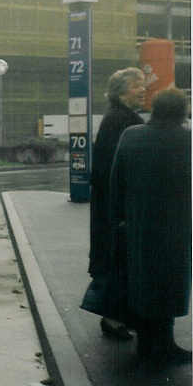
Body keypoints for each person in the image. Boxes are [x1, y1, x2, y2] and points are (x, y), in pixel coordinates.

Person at [110, 88, 191, 364]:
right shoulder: (187, 140)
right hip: (176, 226)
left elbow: (116, 180)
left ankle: (146, 344)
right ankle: (166, 344)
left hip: (138, 224)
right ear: (181, 111)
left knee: (143, 281)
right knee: (170, 282)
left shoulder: (131, 135)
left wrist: (119, 217)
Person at [86, 67, 145, 340]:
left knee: (115, 260)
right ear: (122, 91)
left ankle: (117, 317)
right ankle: (112, 320)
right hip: (116, 207)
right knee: (116, 260)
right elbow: (110, 169)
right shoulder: (121, 121)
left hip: (111, 205)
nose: (143, 90)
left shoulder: (119, 117)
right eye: (136, 85)